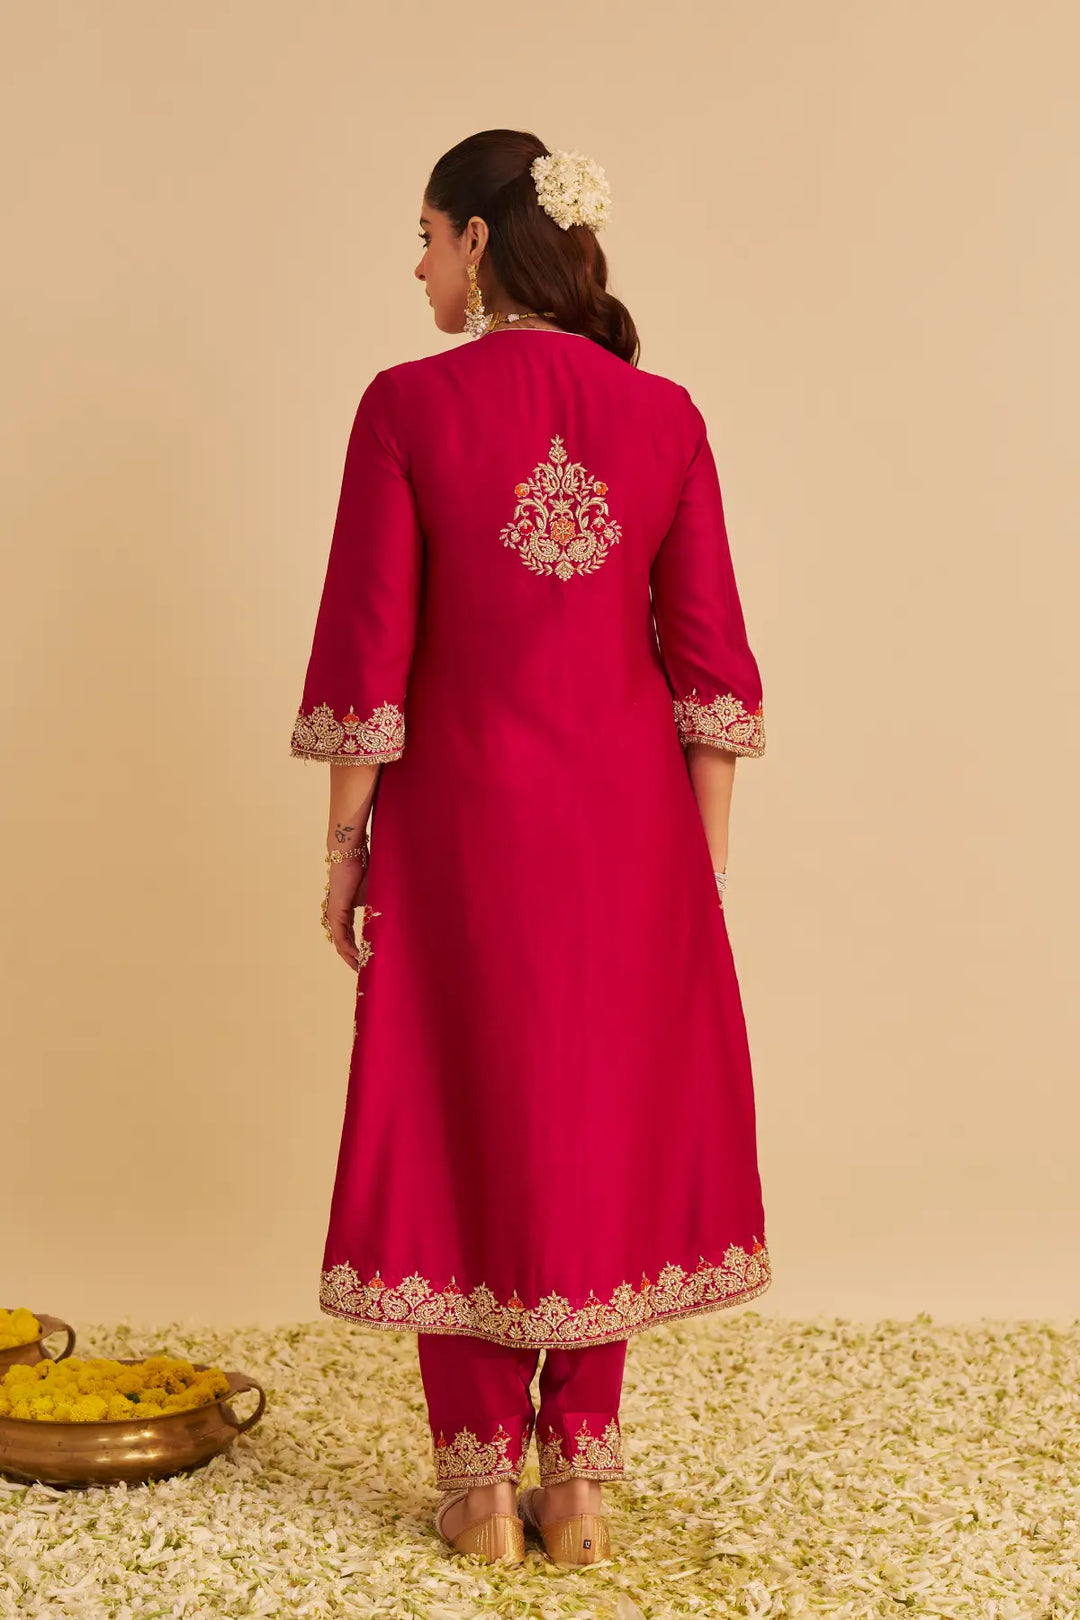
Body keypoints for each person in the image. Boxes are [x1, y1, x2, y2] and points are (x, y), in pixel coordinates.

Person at [288, 128, 772, 1569]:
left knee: (458, 1118)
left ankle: (480, 1484)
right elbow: (712, 678)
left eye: (428, 234)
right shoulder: (664, 415)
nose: (419, 262)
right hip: (633, 837)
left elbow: (371, 662)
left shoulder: (405, 408)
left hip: (461, 827)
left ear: (485, 243)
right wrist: (704, 871)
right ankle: (581, 1485)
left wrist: (344, 847)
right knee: (601, 1123)